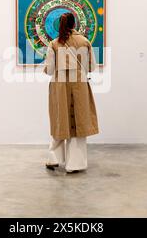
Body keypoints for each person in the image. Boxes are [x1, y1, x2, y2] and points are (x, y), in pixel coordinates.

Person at [43, 12, 99, 173]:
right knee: (79, 123)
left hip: (59, 86)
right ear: (74, 24)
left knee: (61, 121)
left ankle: (53, 159)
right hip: (79, 85)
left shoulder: (54, 43)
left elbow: (50, 70)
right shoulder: (85, 41)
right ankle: (75, 165)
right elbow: (91, 68)